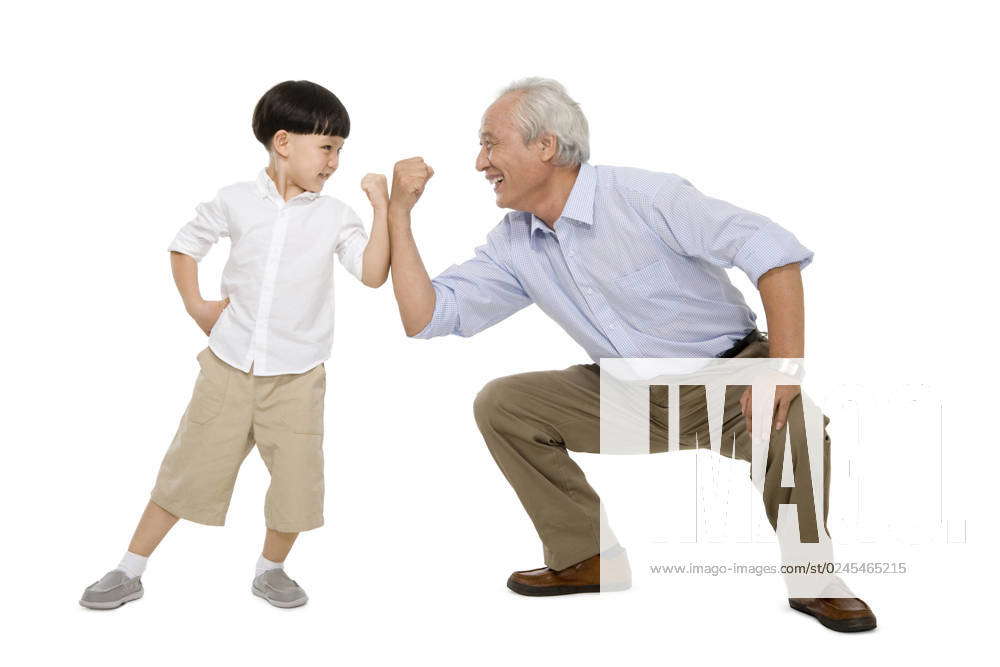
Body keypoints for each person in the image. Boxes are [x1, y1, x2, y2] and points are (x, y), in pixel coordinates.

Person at [385, 77, 876, 632]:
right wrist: (400, 216)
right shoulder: (514, 242)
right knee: (504, 403)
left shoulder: (647, 197)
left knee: (797, 423)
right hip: (627, 394)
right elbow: (426, 316)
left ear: (545, 147)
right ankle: (586, 559)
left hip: (727, 378)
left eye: (490, 143)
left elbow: (773, 254)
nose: (480, 161)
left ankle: (814, 580)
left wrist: (784, 370)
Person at [79, 80, 390, 610]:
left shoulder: (335, 216)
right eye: (328, 147)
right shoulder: (235, 201)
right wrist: (196, 305)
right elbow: (184, 245)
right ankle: (129, 569)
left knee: (297, 483)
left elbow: (373, 272)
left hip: (297, 376)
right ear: (284, 143)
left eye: (340, 149)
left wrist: (383, 206)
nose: (335, 161)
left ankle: (271, 570)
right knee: (187, 468)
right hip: (228, 366)